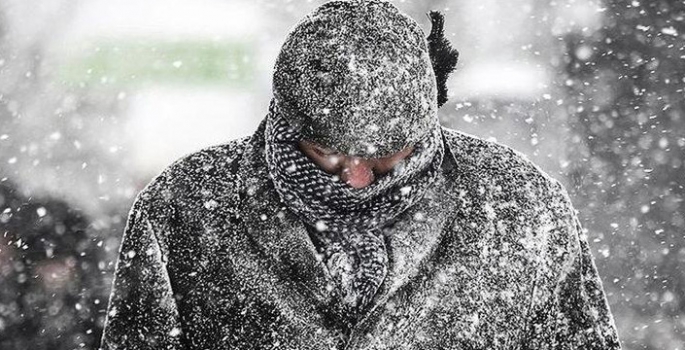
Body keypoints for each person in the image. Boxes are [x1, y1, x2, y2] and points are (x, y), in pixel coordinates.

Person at [100, 1, 622, 349]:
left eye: (384, 157)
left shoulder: (519, 208)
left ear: (426, 124)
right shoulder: (184, 208)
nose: (355, 180)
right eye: (325, 153)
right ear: (286, 123)